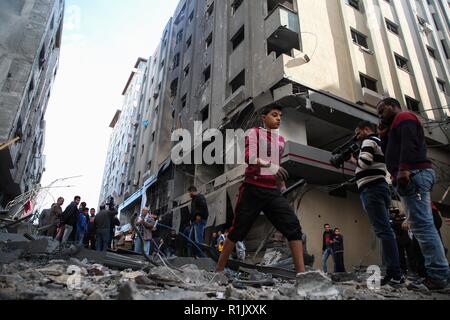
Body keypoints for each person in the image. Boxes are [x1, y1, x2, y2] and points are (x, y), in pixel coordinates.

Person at [215, 105, 306, 274]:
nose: (278, 118)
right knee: (238, 230)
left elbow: (277, 167)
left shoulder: (280, 140)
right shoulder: (254, 133)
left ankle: (302, 274)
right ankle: (219, 269)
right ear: (264, 118)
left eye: (280, 115)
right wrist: (269, 165)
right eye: (274, 115)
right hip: (253, 188)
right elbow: (249, 157)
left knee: (293, 226)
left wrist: (281, 186)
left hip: (273, 192)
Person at [378, 97, 449, 290]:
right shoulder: (394, 126)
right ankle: (439, 275)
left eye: (382, 110)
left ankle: (438, 277)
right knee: (421, 227)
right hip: (411, 175)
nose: (380, 115)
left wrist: (404, 169)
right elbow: (389, 153)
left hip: (414, 174)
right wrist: (384, 135)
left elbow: (409, 145)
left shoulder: (404, 117)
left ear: (393, 106)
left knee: (423, 227)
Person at [352, 121, 404, 285]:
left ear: (366, 130)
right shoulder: (380, 142)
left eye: (358, 132)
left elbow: (364, 163)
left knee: (384, 231)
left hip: (372, 189)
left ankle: (395, 273)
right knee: (386, 230)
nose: (356, 136)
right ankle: (395, 272)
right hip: (379, 187)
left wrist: (354, 159)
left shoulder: (368, 141)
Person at [188, 186, 209, 252]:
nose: (189, 194)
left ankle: (201, 256)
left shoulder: (200, 197)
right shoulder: (194, 200)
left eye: (189, 192)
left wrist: (199, 215)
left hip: (199, 221)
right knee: (191, 240)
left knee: (198, 240)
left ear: (192, 191)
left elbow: (203, 207)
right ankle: (193, 256)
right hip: (195, 222)